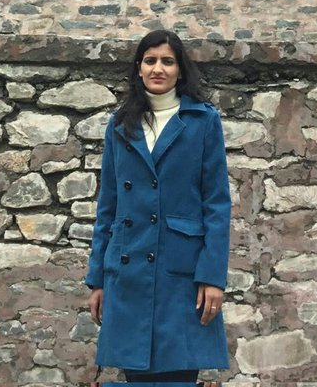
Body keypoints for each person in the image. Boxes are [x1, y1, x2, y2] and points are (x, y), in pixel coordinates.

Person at [86, 29, 230, 384]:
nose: (158, 68)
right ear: (138, 68)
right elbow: (109, 205)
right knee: (135, 375)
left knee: (179, 375)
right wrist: (97, 280)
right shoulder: (120, 125)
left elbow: (216, 203)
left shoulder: (202, 121)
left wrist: (212, 276)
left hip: (181, 274)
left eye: (168, 61)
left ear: (180, 69)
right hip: (128, 270)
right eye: (150, 60)